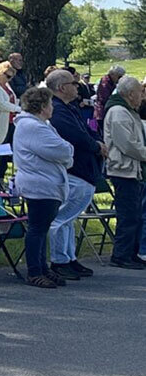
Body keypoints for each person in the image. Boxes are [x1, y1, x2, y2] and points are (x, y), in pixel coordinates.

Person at [44, 69, 104, 277]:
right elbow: (75, 136)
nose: (77, 86)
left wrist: (97, 140)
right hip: (74, 170)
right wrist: (96, 147)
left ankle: (69, 257)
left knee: (70, 218)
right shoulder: (58, 110)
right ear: (61, 87)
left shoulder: (69, 108)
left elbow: (87, 129)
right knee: (62, 217)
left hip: (83, 169)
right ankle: (59, 261)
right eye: (73, 83)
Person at [12, 87, 74, 288]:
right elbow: (62, 149)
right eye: (49, 103)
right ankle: (35, 271)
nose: (52, 107)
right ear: (42, 106)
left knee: (42, 227)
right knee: (37, 228)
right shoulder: (33, 127)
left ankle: (42, 266)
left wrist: (67, 152)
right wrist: (68, 151)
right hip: (40, 185)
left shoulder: (40, 125)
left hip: (45, 182)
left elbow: (63, 149)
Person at [103, 75, 146, 271]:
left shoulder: (129, 111)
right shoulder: (119, 112)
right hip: (123, 170)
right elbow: (128, 145)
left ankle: (131, 253)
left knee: (135, 215)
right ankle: (121, 255)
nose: (142, 96)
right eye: (140, 92)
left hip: (131, 169)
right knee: (128, 215)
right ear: (130, 94)